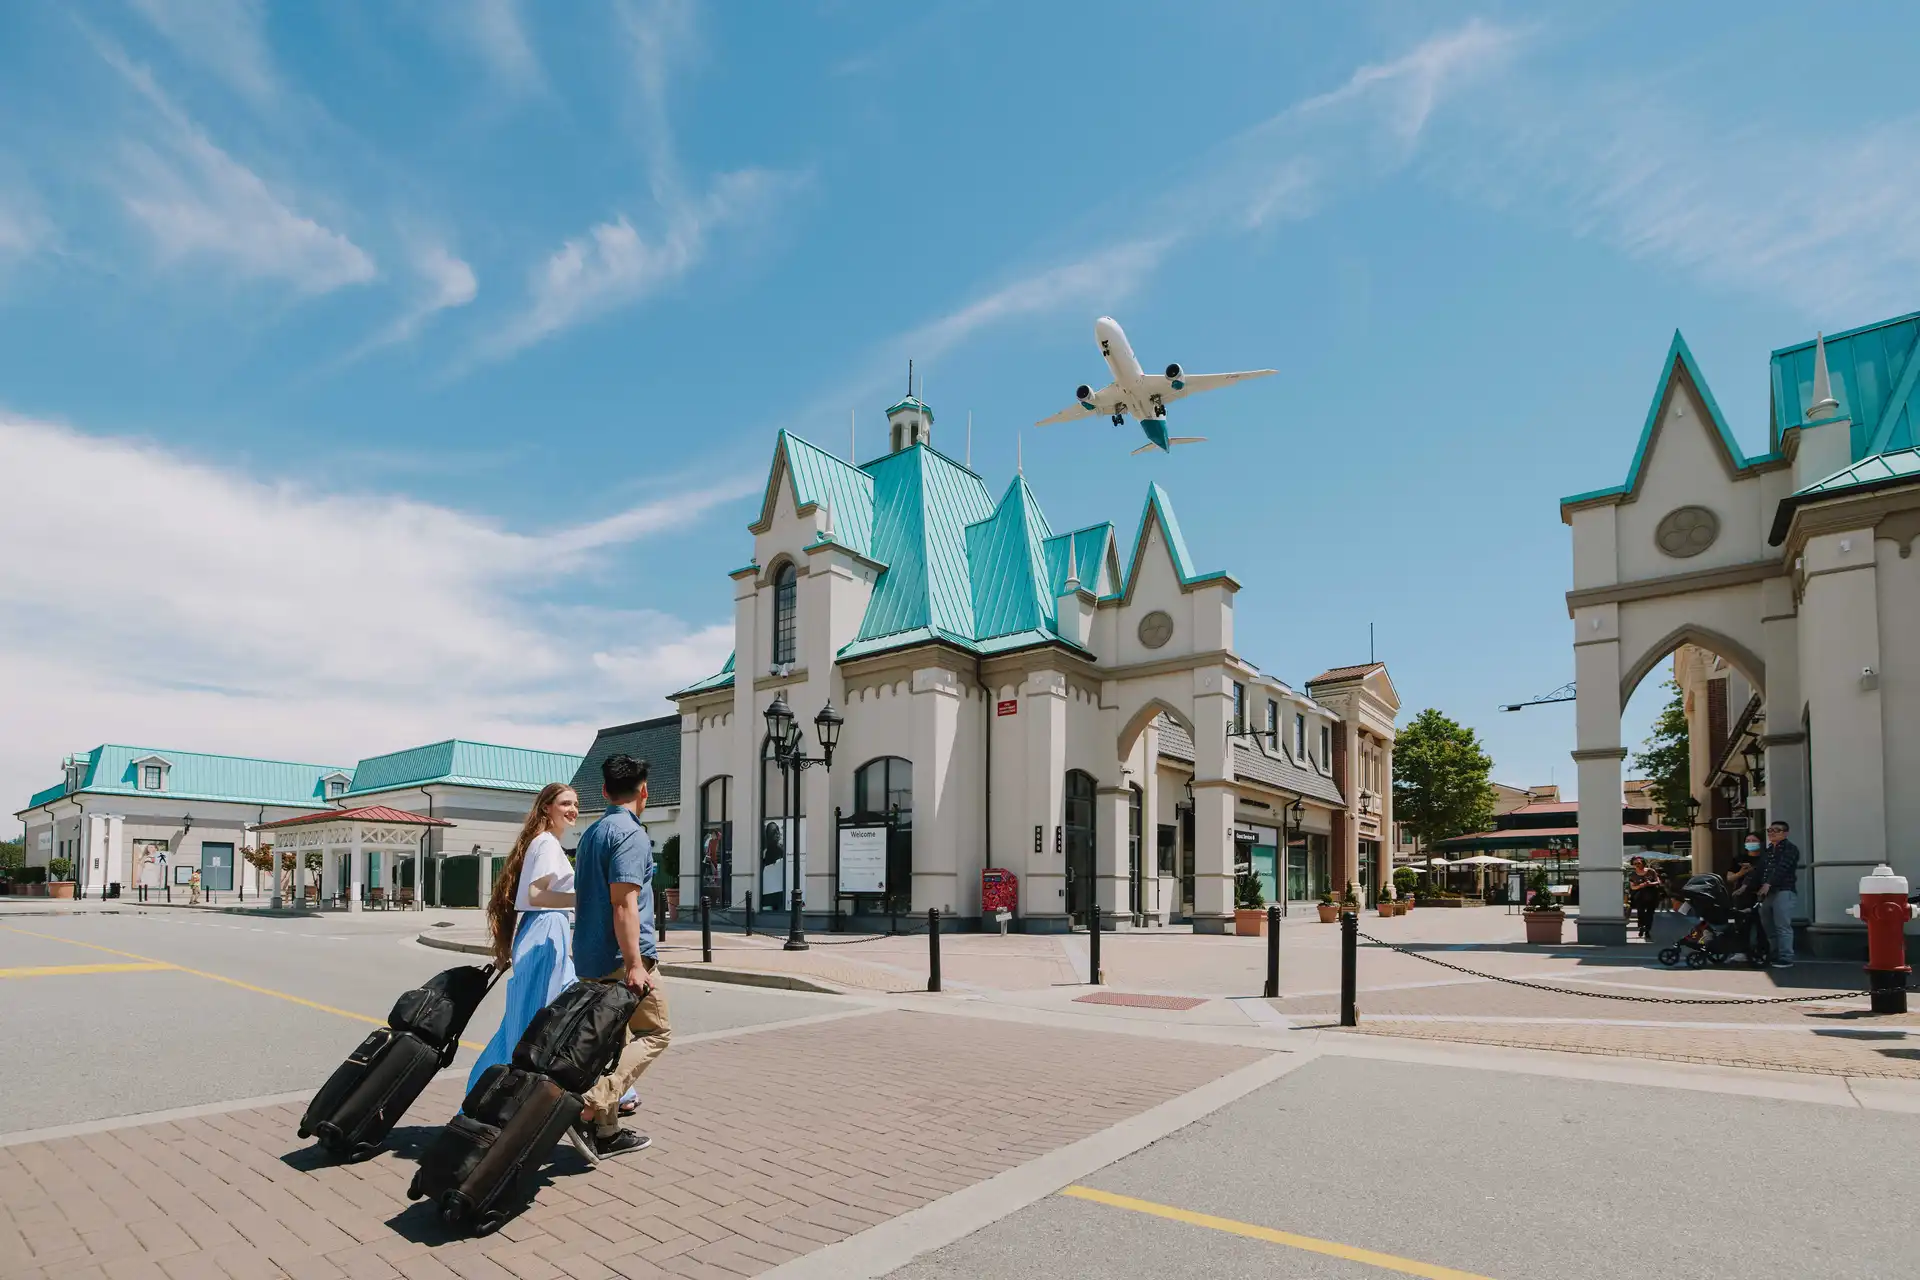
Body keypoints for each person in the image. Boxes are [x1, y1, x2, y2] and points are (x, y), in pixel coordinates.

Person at [571, 754, 670, 1159]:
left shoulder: (593, 832)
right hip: (622, 957)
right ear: (644, 790)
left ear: (605, 791)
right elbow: (624, 904)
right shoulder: (629, 834)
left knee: (615, 1041)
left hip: (591, 955)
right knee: (657, 1031)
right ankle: (591, 1105)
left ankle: (608, 1133)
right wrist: (634, 964)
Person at [466, 783, 581, 1091]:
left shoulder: (545, 843)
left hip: (544, 930)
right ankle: (496, 1090)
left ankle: (485, 1089)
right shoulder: (545, 843)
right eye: (566, 803)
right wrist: (580, 900)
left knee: (531, 1018)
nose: (574, 809)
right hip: (544, 930)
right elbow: (535, 893)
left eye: (576, 804)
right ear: (546, 807)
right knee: (537, 1019)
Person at [1756, 819, 1800, 968]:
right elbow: (1759, 870)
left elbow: (1782, 868)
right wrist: (1745, 886)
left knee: (1782, 925)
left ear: (1785, 833)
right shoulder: (1768, 851)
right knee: (1768, 923)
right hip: (1767, 893)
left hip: (1784, 890)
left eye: (1776, 830)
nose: (1772, 833)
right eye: (1770, 830)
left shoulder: (1790, 849)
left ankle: (1786, 957)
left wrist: (1769, 883)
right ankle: (1774, 953)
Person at [1626, 856, 1662, 939]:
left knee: (1650, 914)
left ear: (1643, 863)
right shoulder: (1632, 874)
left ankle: (1647, 930)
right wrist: (1640, 886)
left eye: (1639, 863)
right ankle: (1641, 926)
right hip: (1639, 896)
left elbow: (1658, 881)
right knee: (1641, 912)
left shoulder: (1651, 871)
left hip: (1652, 894)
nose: (1637, 865)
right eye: (1635, 864)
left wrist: (1650, 884)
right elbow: (1632, 887)